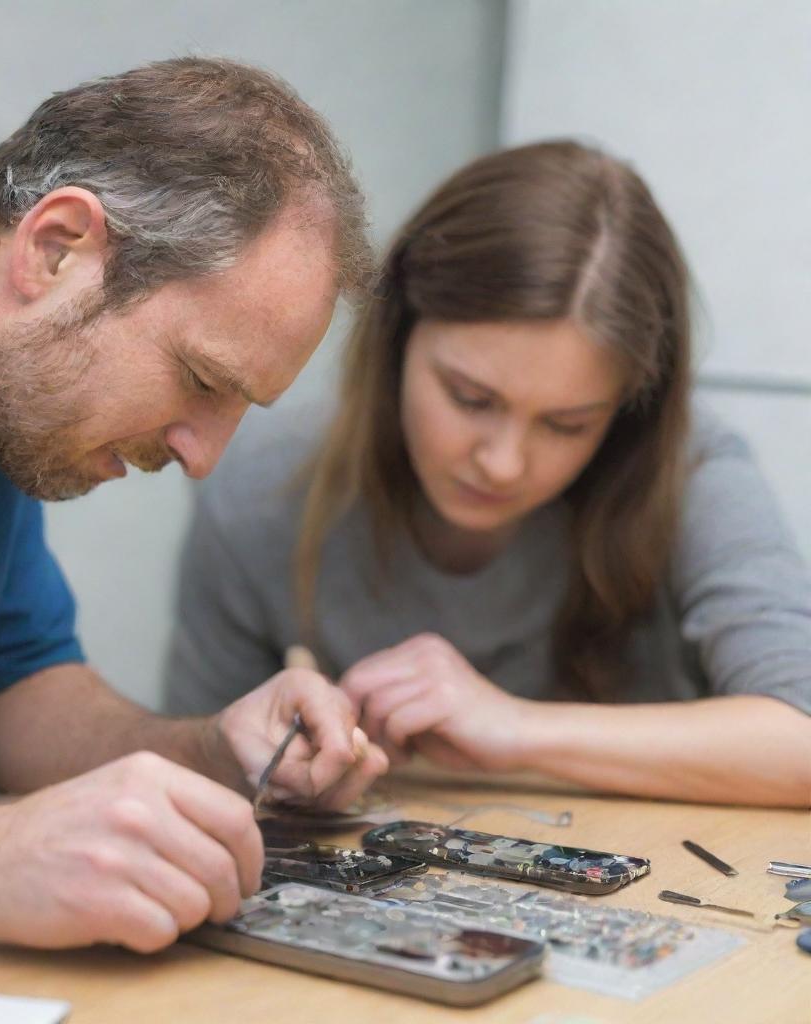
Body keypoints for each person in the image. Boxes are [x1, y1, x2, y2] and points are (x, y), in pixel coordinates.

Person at [0, 57, 390, 956]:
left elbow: (7, 693)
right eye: (200, 379)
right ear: (56, 246)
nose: (202, 458)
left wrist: (212, 752)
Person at [163, 140, 811, 809]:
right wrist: (282, 768)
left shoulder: (691, 467)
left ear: (626, 412)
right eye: (471, 399)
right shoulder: (262, 481)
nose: (502, 463)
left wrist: (516, 728)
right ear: (398, 336)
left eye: (568, 424)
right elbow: (201, 769)